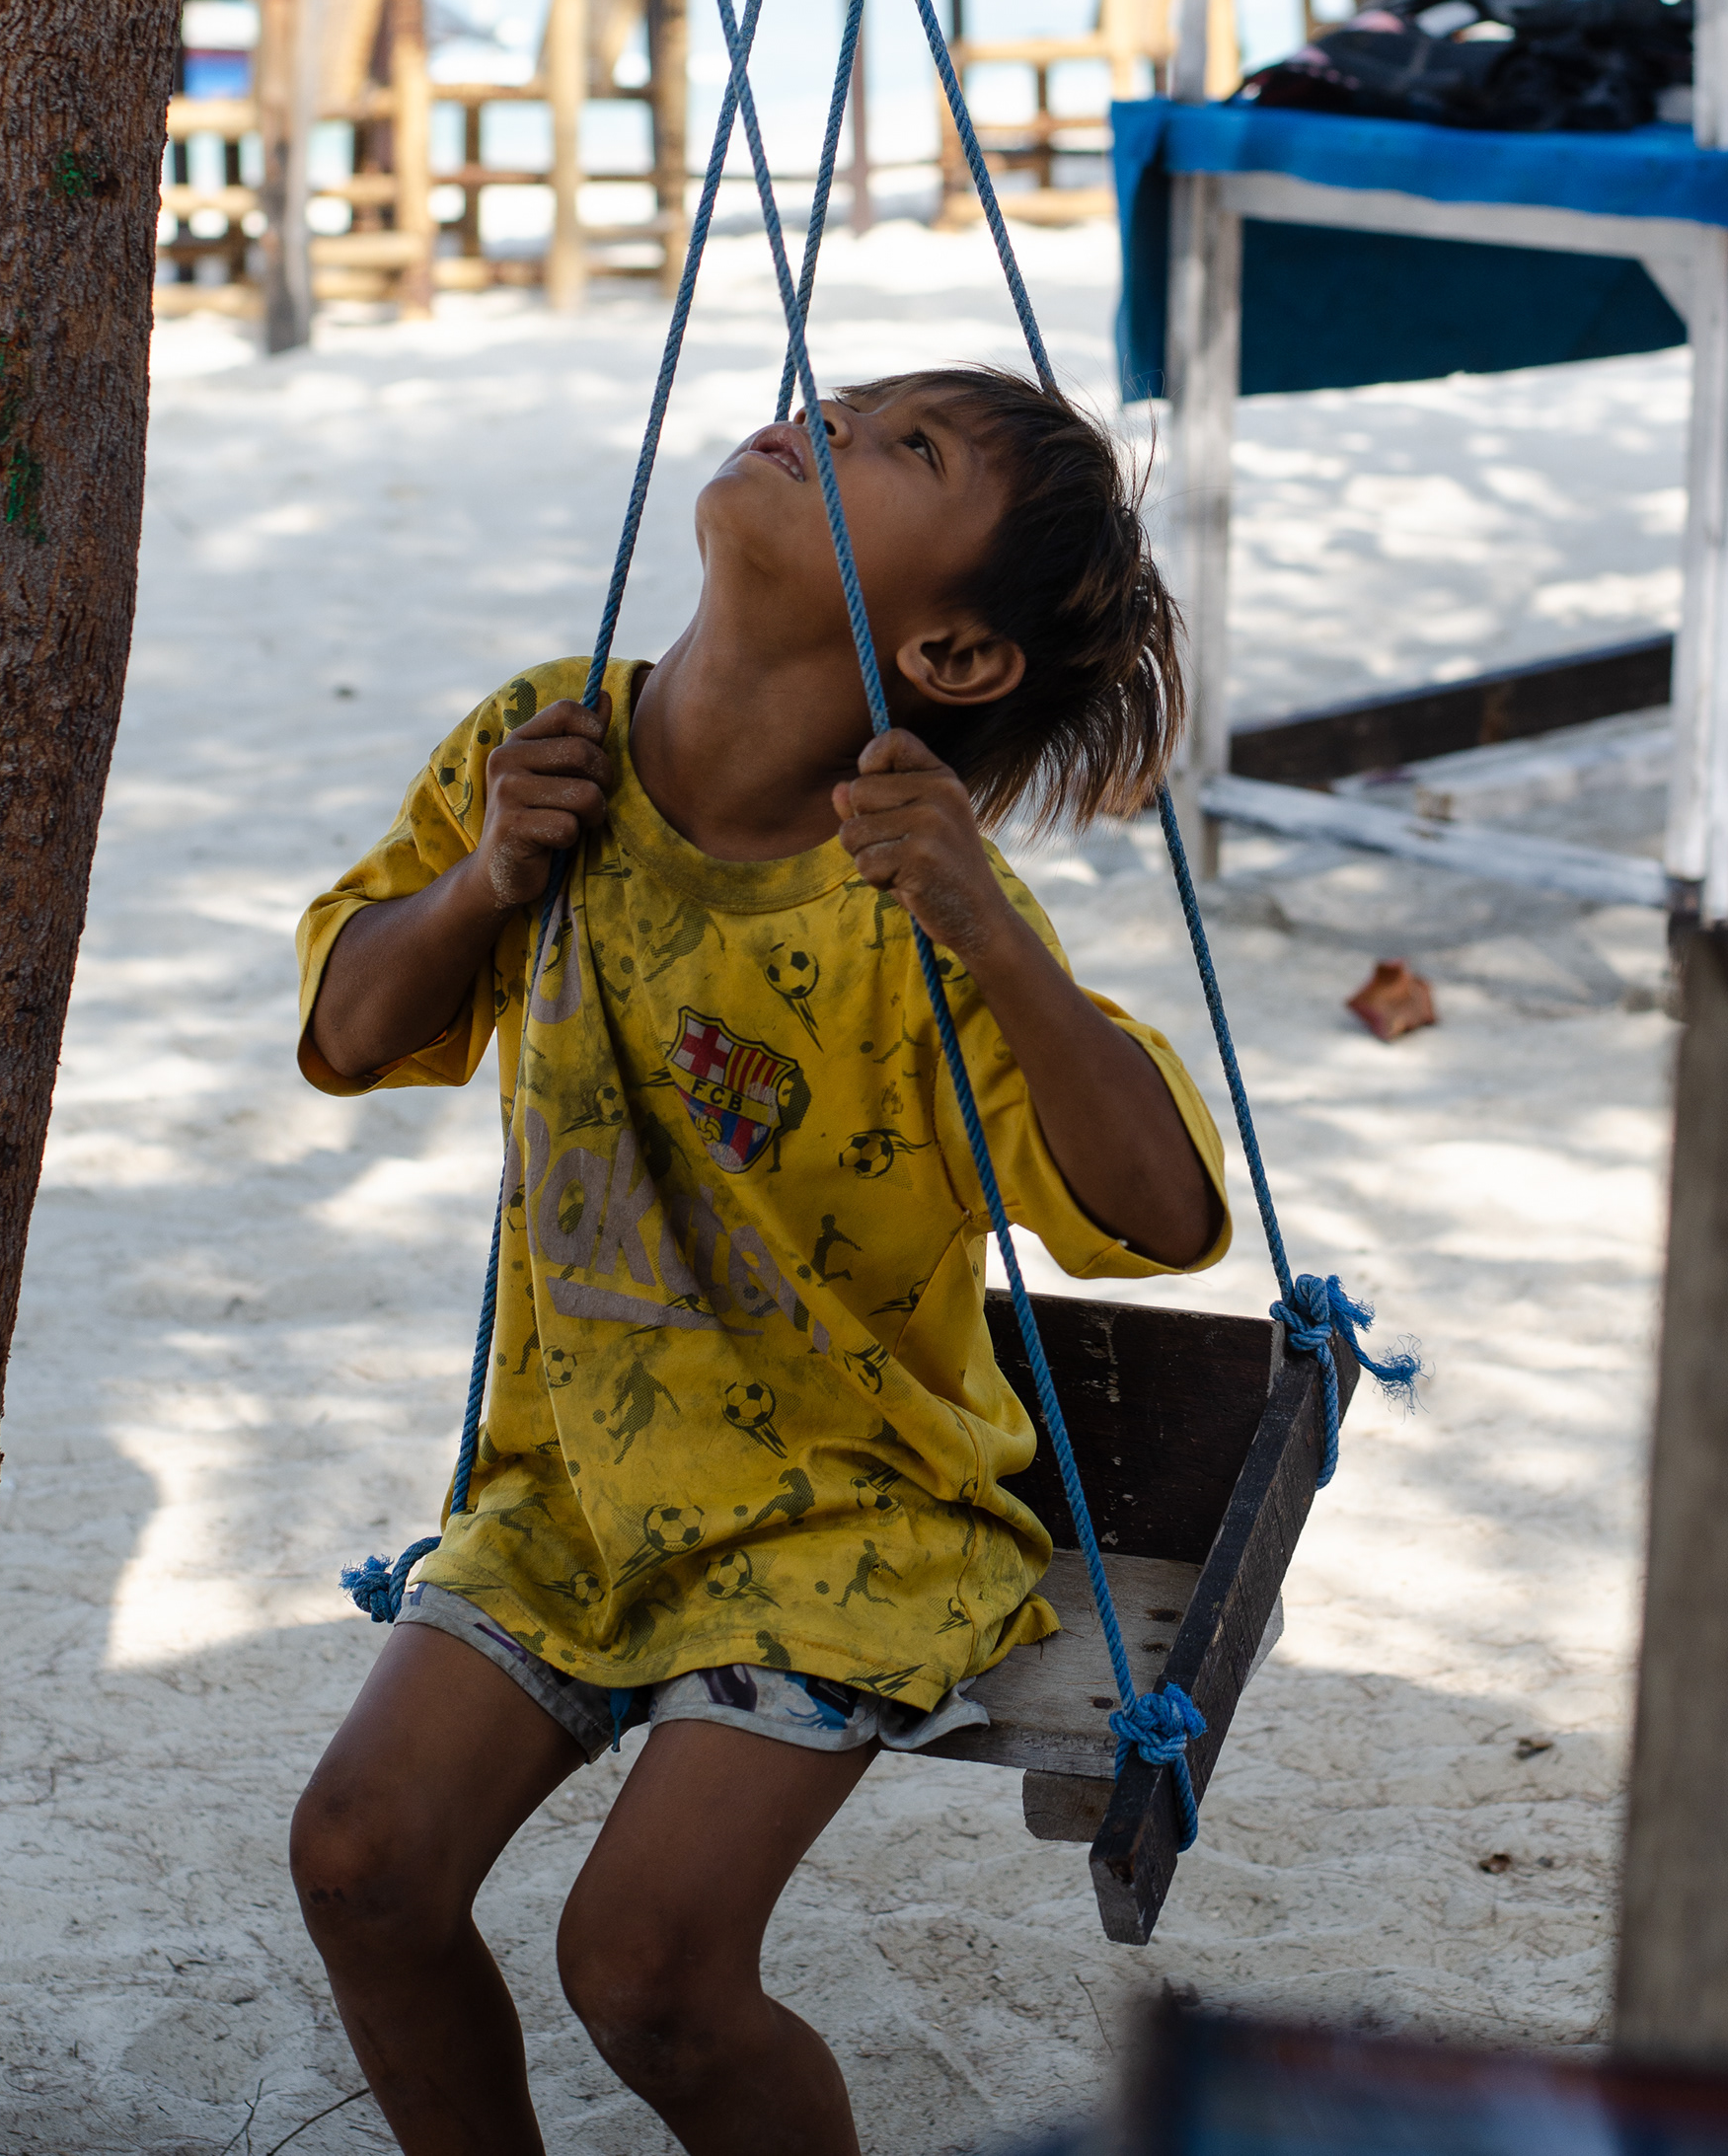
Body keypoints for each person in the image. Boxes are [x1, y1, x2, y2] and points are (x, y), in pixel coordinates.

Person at [288, 367, 1232, 2156]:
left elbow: (1168, 1220)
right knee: (360, 1863)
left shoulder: (912, 893)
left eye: (909, 447)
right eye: (849, 399)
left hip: (841, 1522)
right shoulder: (546, 739)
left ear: (953, 661)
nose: (825, 415)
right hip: (573, 1485)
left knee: (644, 1967)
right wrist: (488, 873)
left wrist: (994, 936)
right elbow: (347, 1030)